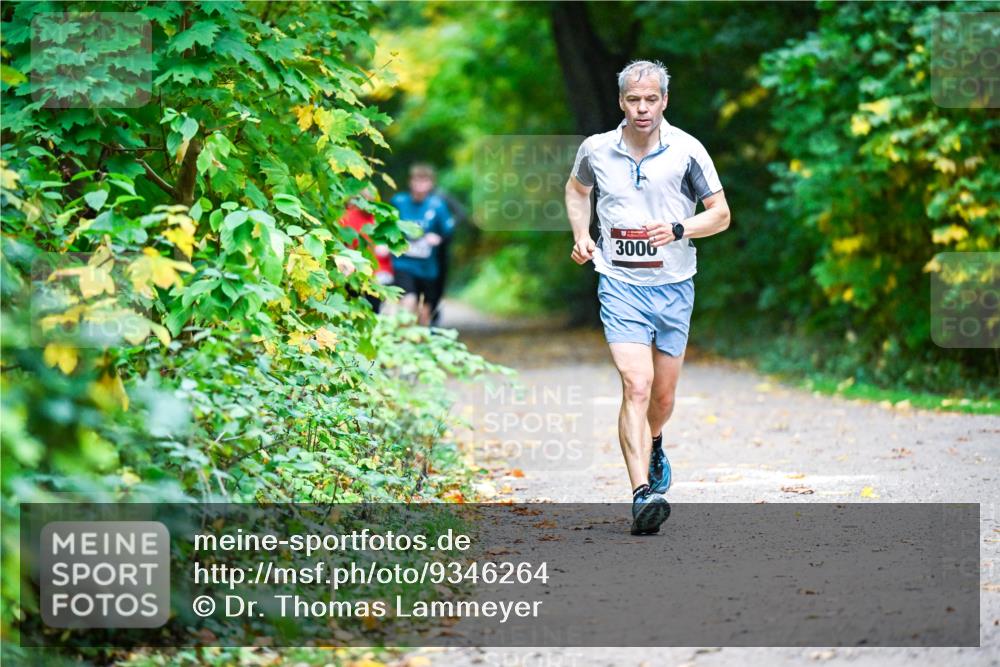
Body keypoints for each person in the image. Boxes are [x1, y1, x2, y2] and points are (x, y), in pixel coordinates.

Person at [565, 60, 731, 535]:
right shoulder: (597, 150)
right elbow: (577, 192)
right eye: (633, 100)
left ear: (664, 101)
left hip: (675, 285)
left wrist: (679, 227)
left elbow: (720, 214)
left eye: (651, 99)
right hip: (619, 283)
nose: (642, 108)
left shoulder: (687, 152)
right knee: (635, 385)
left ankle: (655, 440)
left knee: (661, 395)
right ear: (622, 101)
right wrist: (582, 234)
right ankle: (643, 495)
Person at [390, 164, 455, 325]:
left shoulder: (437, 206)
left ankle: (420, 345)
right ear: (410, 182)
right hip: (403, 263)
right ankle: (403, 342)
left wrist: (438, 238)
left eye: (424, 181)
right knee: (408, 300)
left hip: (428, 268)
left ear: (431, 184)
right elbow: (385, 225)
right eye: (417, 181)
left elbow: (448, 232)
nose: (420, 186)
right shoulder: (398, 202)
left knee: (425, 311)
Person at [339, 188, 394, 312]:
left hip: (378, 273)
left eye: (371, 199)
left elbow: (393, 242)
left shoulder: (380, 218)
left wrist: (387, 248)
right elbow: (342, 243)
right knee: (351, 307)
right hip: (353, 271)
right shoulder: (347, 217)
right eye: (365, 199)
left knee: (373, 309)